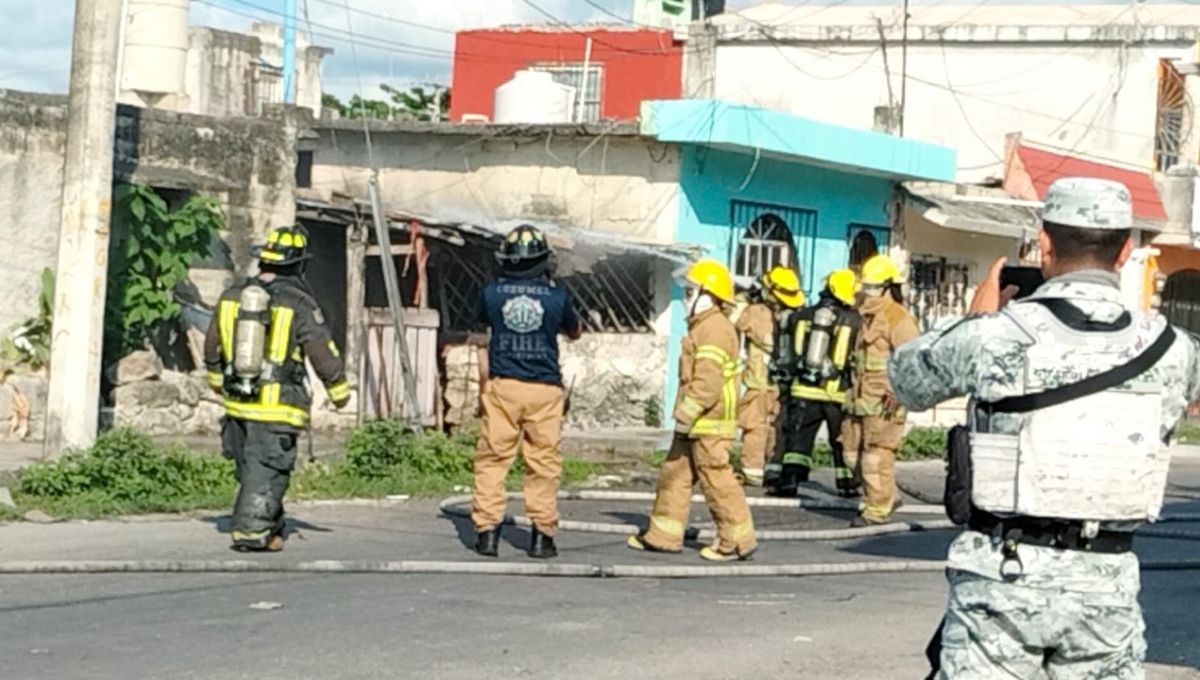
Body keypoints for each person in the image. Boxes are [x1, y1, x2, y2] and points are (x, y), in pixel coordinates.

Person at [889, 177, 1200, 679]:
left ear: (1045, 244)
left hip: (1003, 580)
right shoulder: (1173, 350)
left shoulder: (994, 334)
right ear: (1125, 251)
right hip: (1106, 588)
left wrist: (973, 319)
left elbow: (906, 379)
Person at [204, 225, 351, 552]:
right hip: (277, 406)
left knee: (251, 467)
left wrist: (216, 381)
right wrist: (339, 392)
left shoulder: (231, 295)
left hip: (238, 402)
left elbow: (211, 344)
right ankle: (251, 531)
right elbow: (322, 352)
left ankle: (273, 528)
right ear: (299, 265)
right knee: (268, 466)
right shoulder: (299, 303)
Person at [628, 258, 757, 562]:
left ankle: (736, 541)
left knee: (717, 479)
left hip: (708, 422)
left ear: (708, 296)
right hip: (697, 422)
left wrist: (686, 415)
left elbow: (707, 383)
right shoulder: (704, 325)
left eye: (691, 292)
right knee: (675, 473)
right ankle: (663, 536)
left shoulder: (713, 329)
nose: (686, 297)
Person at [471, 225, 582, 560]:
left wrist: (482, 388)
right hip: (545, 391)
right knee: (543, 464)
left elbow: (480, 338)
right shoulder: (557, 297)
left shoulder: (491, 294)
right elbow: (575, 332)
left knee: (492, 460)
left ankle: (488, 535)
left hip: (503, 386)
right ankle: (541, 537)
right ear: (543, 260)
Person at [766, 268, 862, 497]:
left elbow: (790, 353)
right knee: (841, 440)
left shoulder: (802, 315)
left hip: (804, 389)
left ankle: (789, 482)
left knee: (797, 441)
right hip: (837, 393)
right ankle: (848, 485)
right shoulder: (855, 320)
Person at [841, 254, 919, 527]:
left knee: (876, 457)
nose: (867, 292)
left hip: (886, 401)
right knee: (851, 455)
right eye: (866, 286)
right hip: (860, 399)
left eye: (873, 287)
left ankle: (877, 509)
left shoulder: (897, 318)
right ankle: (887, 496)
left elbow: (912, 361)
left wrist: (899, 392)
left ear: (887, 287)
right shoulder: (865, 316)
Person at [730, 265, 804, 487]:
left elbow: (734, 322)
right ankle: (773, 468)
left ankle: (752, 471)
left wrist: (743, 299)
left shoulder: (758, 313)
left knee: (755, 426)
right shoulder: (795, 317)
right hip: (784, 384)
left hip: (759, 383)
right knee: (777, 426)